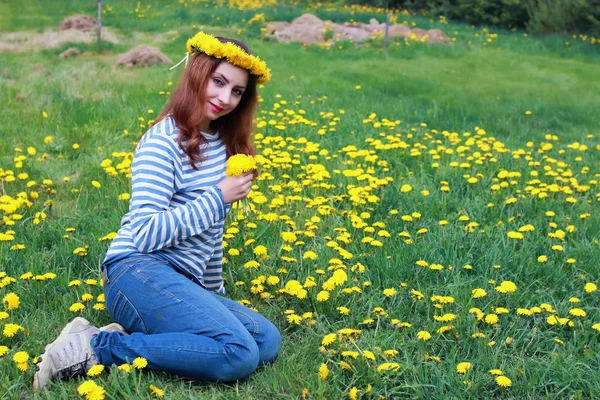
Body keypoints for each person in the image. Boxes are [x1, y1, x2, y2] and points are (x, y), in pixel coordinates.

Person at [33, 32, 281, 391]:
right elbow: (147, 233)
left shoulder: (225, 148)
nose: (225, 98)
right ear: (198, 73)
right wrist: (217, 196)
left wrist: (213, 298)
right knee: (239, 353)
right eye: (219, 82)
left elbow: (212, 232)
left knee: (266, 342)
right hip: (135, 271)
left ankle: (132, 332)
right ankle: (95, 347)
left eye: (237, 91)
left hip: (181, 281)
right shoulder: (163, 141)